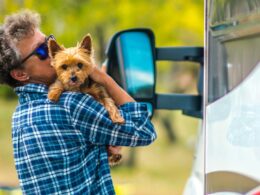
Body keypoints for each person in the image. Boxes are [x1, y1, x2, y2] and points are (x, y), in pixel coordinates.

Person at [0, 10, 157, 194]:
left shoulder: (20, 116)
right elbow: (145, 131)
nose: (55, 53)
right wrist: (104, 78)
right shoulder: (71, 103)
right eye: (43, 51)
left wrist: (101, 145)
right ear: (20, 74)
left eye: (50, 41)